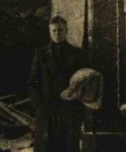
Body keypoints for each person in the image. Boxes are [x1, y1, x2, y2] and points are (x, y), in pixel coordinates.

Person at [28, 15, 87, 152]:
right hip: (47, 110)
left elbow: (83, 83)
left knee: (67, 147)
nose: (57, 34)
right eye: (53, 31)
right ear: (49, 32)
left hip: (68, 111)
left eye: (60, 30)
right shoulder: (41, 54)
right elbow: (32, 82)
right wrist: (39, 106)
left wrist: (77, 107)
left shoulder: (77, 54)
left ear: (67, 31)